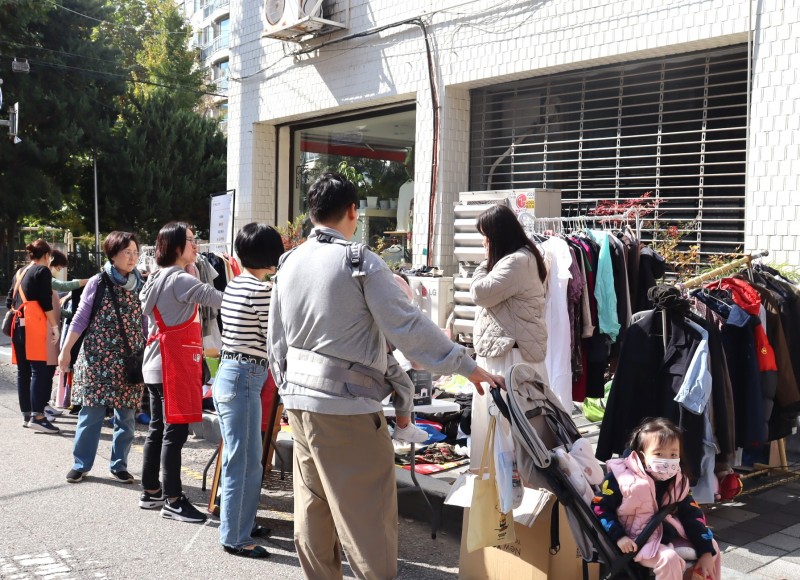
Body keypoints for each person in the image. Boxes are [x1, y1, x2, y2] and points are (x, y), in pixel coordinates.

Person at [268, 172, 504, 579]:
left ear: (311, 214)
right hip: (347, 408)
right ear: (352, 212)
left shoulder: (289, 262)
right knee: (366, 518)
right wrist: (464, 364)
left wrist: (290, 391)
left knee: (314, 510)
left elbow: (276, 340)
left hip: (299, 404)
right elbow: (408, 328)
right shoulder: (358, 260)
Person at [139, 221, 223, 523]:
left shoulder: (156, 277)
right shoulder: (180, 280)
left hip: (154, 363)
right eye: (191, 240)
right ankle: (173, 499)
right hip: (171, 363)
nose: (196, 245)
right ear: (176, 246)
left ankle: (151, 490)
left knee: (158, 429)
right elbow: (220, 300)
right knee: (175, 433)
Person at [213, 223, 284, 558]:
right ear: (271, 257)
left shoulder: (235, 284)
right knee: (244, 461)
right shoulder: (262, 291)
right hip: (245, 378)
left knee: (243, 458)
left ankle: (241, 521)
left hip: (232, 375)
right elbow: (274, 340)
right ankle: (236, 537)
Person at [58, 232, 145, 484]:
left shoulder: (141, 283)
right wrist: (66, 350)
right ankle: (81, 464)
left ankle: (119, 465)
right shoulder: (98, 281)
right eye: (127, 252)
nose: (132, 258)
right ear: (113, 254)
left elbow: (147, 321)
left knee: (126, 417)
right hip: (97, 358)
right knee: (91, 413)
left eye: (135, 252)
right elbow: (80, 317)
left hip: (129, 359)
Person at [469, 203, 549, 468]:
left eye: (487, 235)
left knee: (504, 424)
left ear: (498, 235)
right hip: (510, 350)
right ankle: (501, 483)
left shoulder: (517, 261)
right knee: (506, 423)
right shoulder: (524, 257)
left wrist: (483, 263)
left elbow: (480, 293)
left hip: (510, 356)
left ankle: (505, 485)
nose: (484, 241)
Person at [592, 418, 722, 579]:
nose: (667, 460)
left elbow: (692, 514)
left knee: (712, 547)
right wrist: (619, 537)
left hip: (665, 535)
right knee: (668, 559)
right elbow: (601, 507)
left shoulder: (678, 481)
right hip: (635, 541)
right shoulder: (621, 479)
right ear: (642, 455)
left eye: (673, 454)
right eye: (659, 454)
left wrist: (706, 551)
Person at [6, 239, 60, 433]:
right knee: (38, 368)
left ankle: (27, 414)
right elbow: (46, 303)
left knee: (23, 371)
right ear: (46, 255)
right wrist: (54, 326)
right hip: (33, 324)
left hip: (17, 325)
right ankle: (38, 416)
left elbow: (8, 300)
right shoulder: (42, 271)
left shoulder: (19, 272)